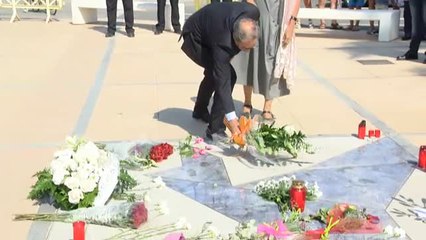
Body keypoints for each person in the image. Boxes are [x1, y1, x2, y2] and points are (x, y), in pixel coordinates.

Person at [180, 2, 260, 140]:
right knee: (227, 76)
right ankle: (215, 130)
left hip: (211, 26)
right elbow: (222, 82)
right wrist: (232, 118)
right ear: (235, 41)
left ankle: (199, 110)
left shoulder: (253, 12)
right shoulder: (223, 43)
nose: (248, 51)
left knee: (214, 72)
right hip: (195, 39)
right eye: (245, 48)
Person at [233, 0, 300, 121]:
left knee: (273, 60)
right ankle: (247, 104)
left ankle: (267, 107)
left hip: (277, 16)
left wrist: (292, 23)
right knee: (249, 58)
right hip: (254, 13)